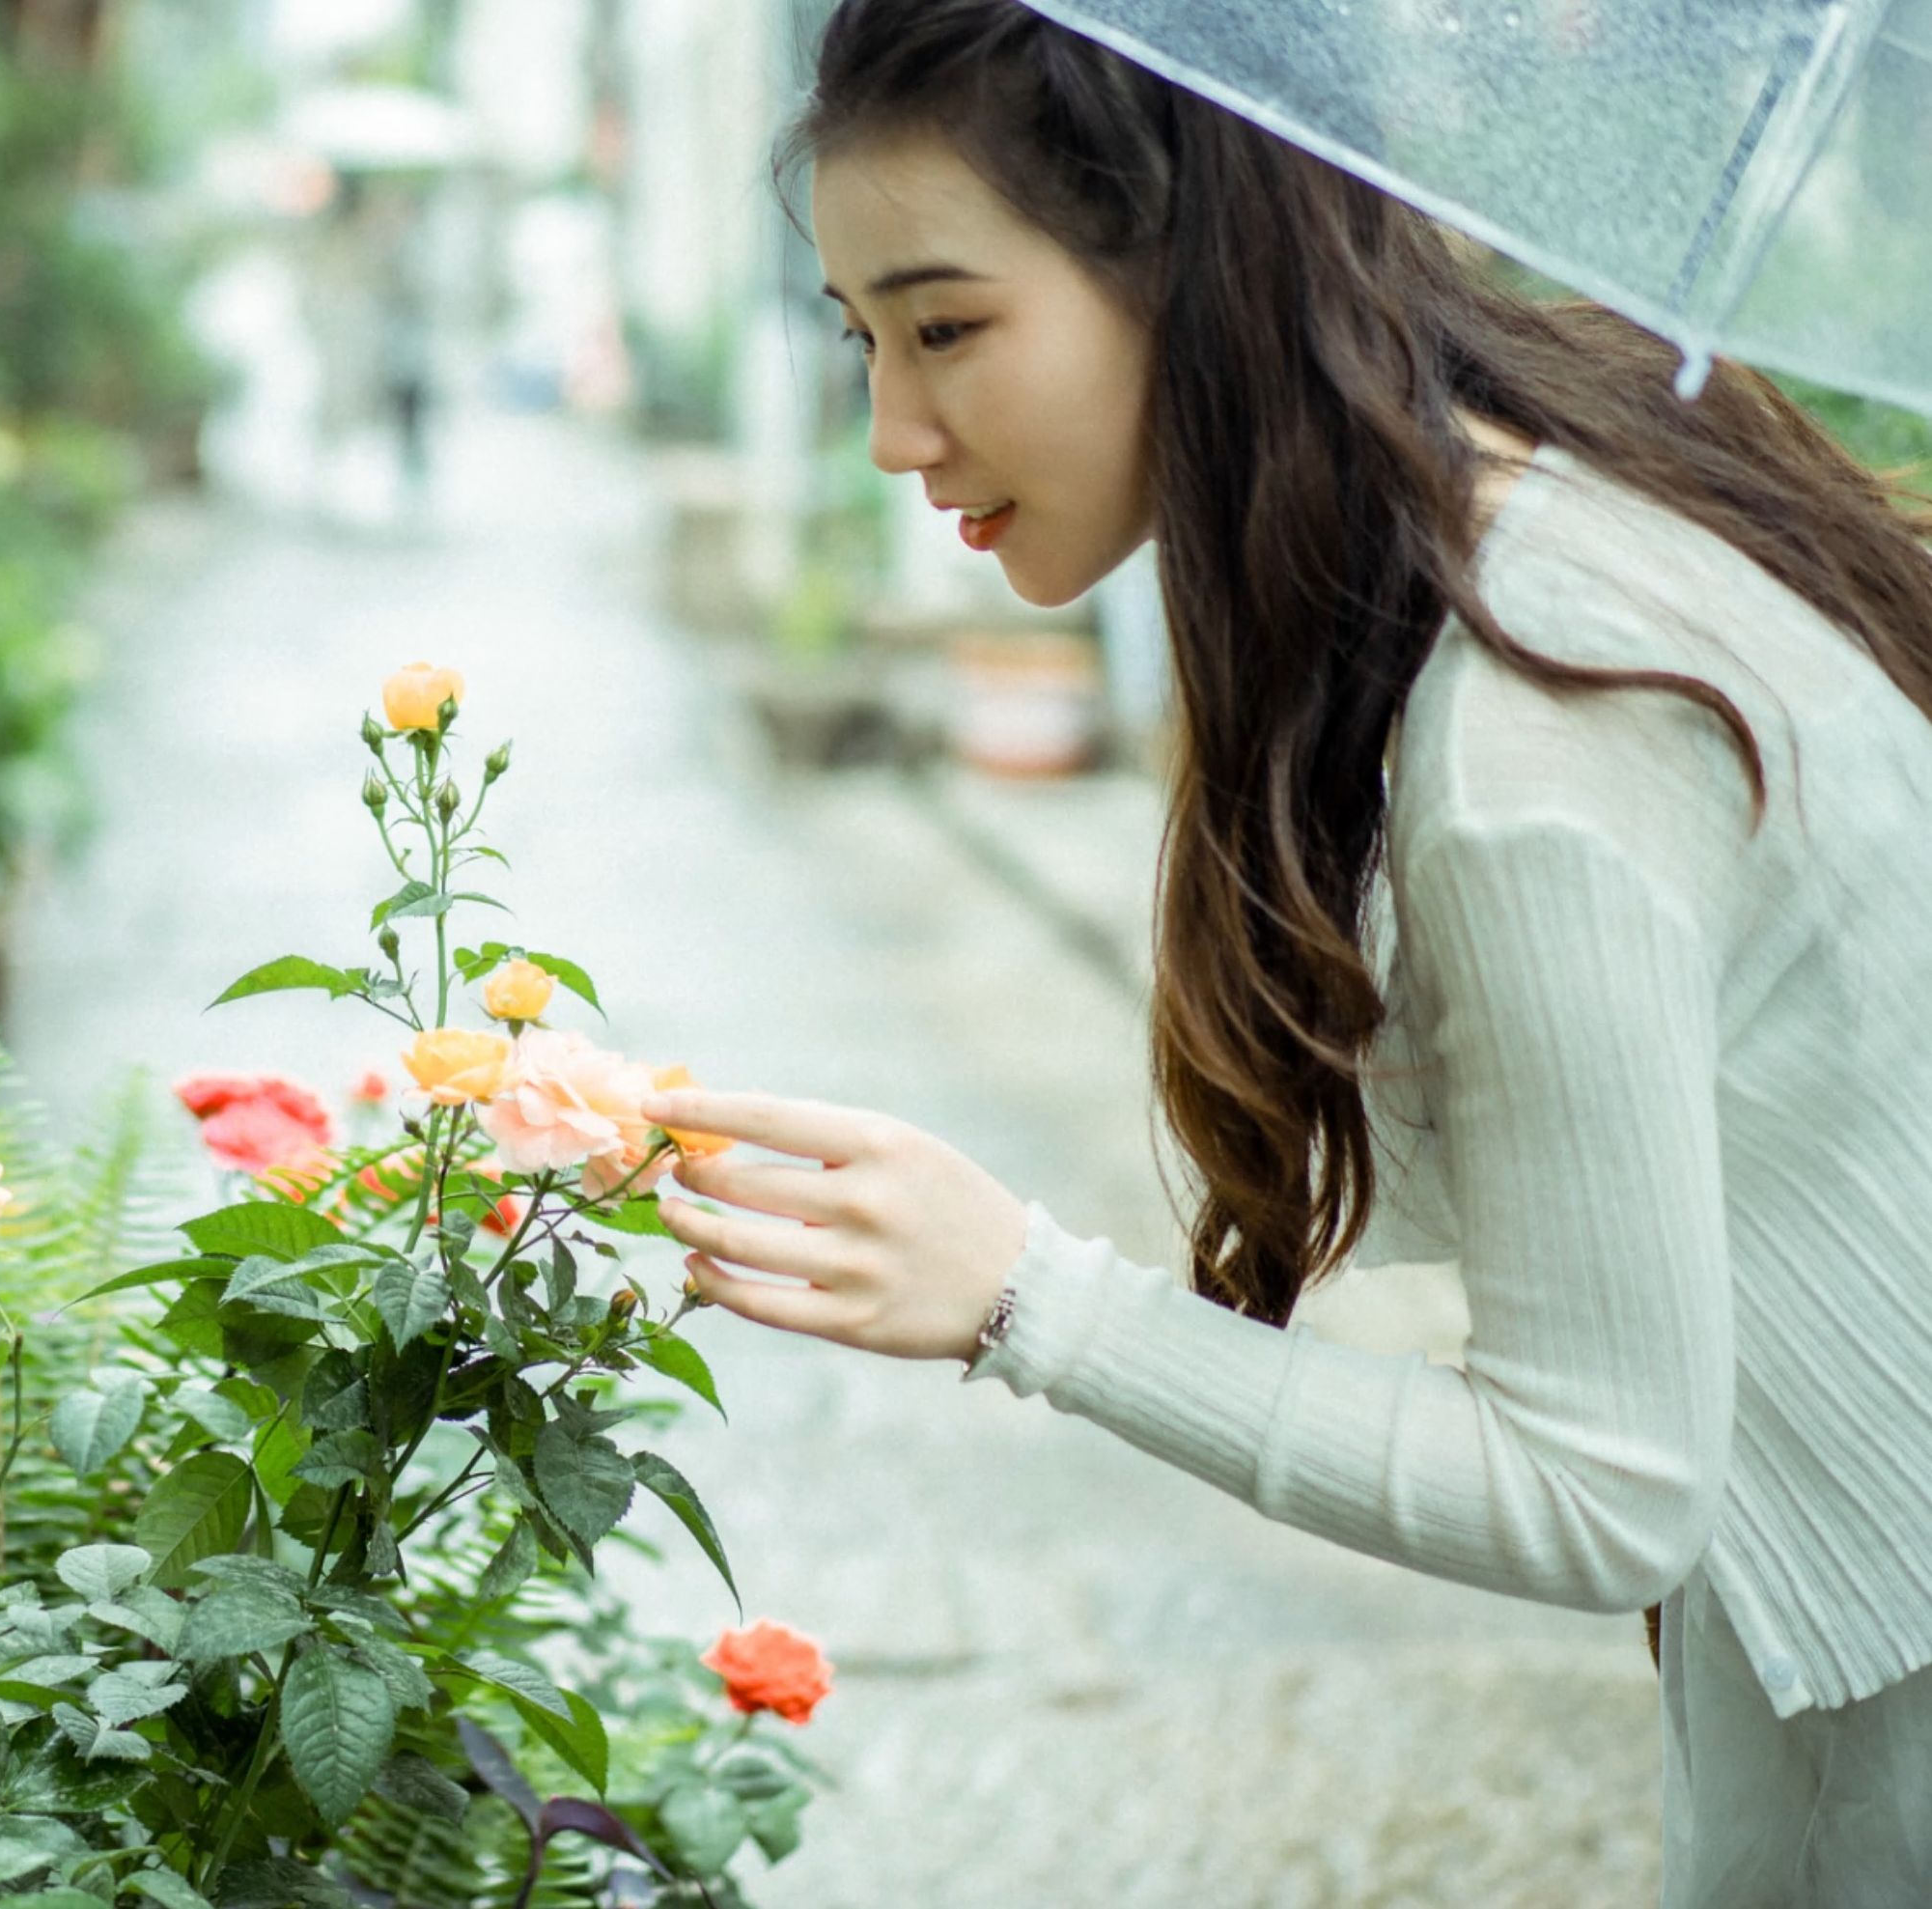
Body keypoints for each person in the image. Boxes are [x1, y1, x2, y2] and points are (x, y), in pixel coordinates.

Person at [641, 3, 1932, 1901]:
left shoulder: (1533, 724)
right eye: (860, 338)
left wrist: (1027, 1298)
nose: (891, 431)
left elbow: (1598, 1483)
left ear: (1193, 264)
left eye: (945, 325)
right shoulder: (1549, 509)